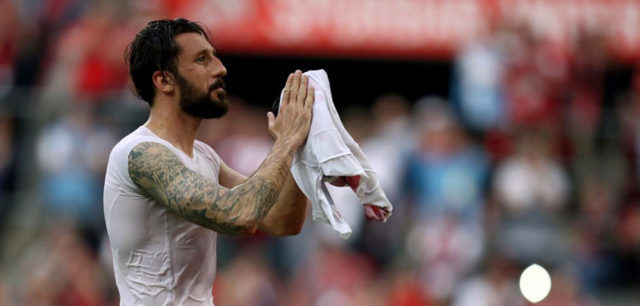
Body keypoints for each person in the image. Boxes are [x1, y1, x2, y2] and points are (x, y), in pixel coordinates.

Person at [103, 18, 314, 305]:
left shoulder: (204, 155)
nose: (220, 68)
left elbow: (282, 221)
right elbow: (240, 216)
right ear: (164, 80)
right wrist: (286, 142)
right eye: (202, 59)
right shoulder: (140, 154)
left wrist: (301, 149)